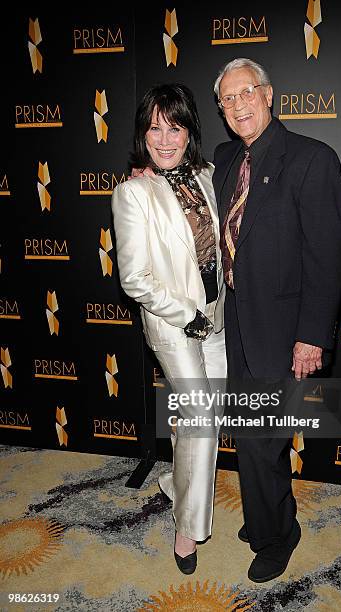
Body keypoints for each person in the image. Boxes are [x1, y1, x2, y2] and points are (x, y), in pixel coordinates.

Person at [213, 58, 341, 582]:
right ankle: (265, 514)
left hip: (282, 330)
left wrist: (311, 336)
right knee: (249, 432)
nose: (237, 105)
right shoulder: (226, 158)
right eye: (227, 99)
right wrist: (147, 172)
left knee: (262, 437)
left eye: (245, 93)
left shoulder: (312, 159)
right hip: (234, 327)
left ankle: (276, 538)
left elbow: (328, 255)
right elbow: (184, 182)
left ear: (268, 94)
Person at [111, 83, 227, 575]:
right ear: (142, 134)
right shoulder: (133, 192)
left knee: (207, 420)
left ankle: (174, 484)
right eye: (154, 128)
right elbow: (134, 278)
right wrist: (189, 315)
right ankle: (187, 526)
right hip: (175, 324)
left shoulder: (206, 175)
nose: (163, 138)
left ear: (189, 132)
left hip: (219, 314)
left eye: (174, 127)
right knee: (199, 422)